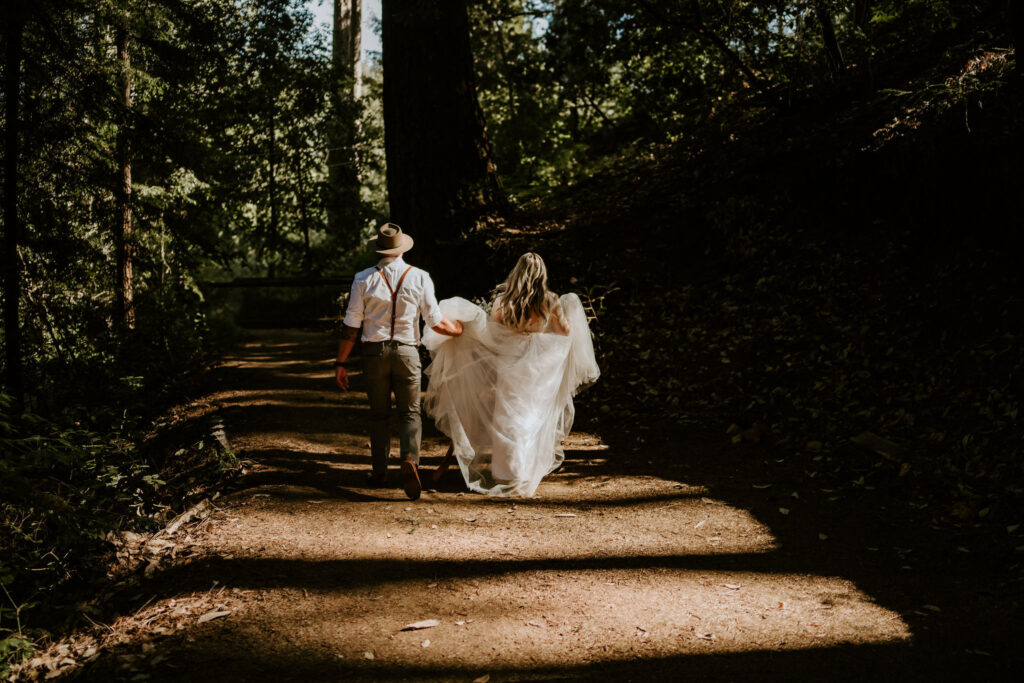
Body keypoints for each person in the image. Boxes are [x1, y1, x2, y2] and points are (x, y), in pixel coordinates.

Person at [422, 252, 600, 497]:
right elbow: (563, 334)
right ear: (541, 275)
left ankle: (506, 472)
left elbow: (494, 336)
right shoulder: (550, 301)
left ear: (516, 273)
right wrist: (566, 316)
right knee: (531, 415)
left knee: (507, 416)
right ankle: (525, 471)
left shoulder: (502, 304)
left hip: (510, 366)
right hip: (538, 370)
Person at [335, 223, 463, 500]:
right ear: (402, 248)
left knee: (378, 414)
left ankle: (379, 471)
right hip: (407, 351)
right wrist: (458, 331)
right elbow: (435, 321)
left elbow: (351, 326)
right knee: (410, 413)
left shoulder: (362, 279)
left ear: (379, 250)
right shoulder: (419, 277)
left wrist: (340, 363)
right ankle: (410, 461)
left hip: (373, 354)